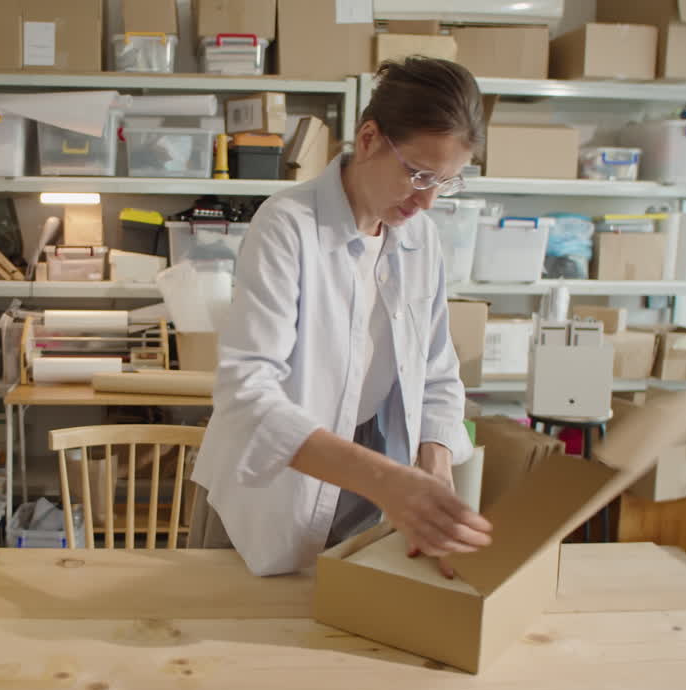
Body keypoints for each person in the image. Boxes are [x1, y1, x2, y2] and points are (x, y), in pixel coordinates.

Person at [189, 57, 493, 577]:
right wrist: (387, 481)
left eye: (447, 181)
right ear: (370, 138)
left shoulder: (420, 238)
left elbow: (438, 372)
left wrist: (436, 470)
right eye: (418, 173)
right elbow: (248, 395)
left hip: (367, 492)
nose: (428, 200)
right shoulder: (289, 225)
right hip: (268, 494)